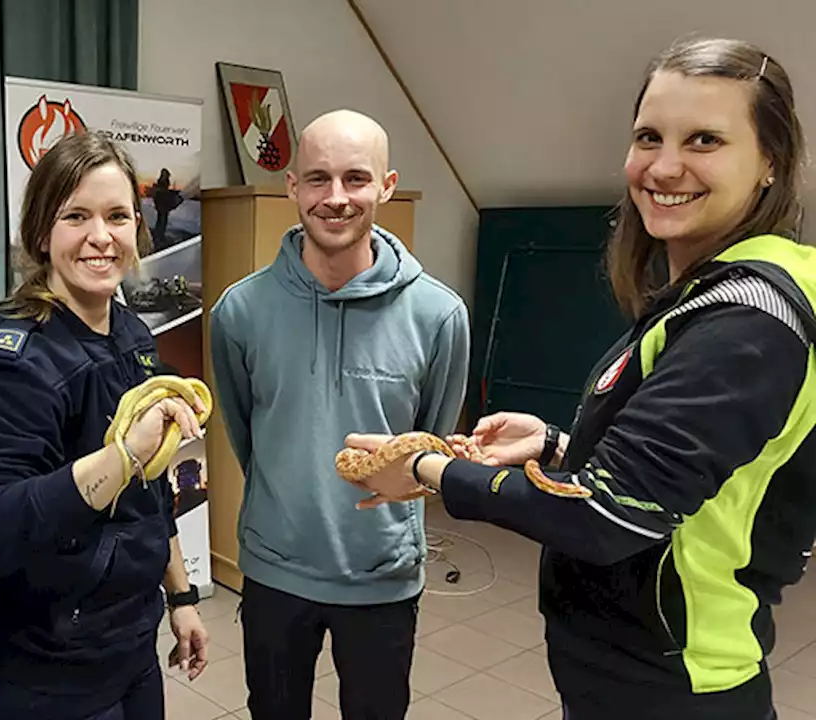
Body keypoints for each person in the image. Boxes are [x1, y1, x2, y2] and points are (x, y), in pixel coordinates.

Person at [340, 37, 816, 720]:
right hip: (619, 668)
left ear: (770, 162)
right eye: (649, 136)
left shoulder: (748, 323)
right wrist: (557, 448)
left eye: (705, 140)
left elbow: (604, 518)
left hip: (673, 686)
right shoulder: (706, 292)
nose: (665, 165)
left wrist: (424, 470)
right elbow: (673, 478)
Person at [208, 108, 470, 720]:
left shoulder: (438, 315)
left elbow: (429, 445)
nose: (336, 197)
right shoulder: (240, 312)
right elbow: (246, 433)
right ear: (291, 186)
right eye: (318, 178)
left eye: (356, 178)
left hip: (382, 575)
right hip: (274, 571)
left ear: (386, 185)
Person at [0, 129, 212, 720]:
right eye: (76, 216)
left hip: (126, 652)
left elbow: (151, 495)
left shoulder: (132, 335)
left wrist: (180, 595)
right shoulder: (11, 360)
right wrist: (120, 461)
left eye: (118, 216)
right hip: (32, 676)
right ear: (42, 233)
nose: (101, 236)